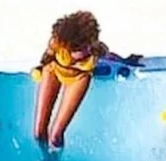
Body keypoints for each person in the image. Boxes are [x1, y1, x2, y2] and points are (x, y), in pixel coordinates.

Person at [32, 10, 124, 149]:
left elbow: (111, 56)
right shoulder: (57, 42)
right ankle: (45, 157)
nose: (84, 50)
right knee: (39, 132)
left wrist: (126, 60)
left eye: (86, 47)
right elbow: (47, 58)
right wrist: (39, 69)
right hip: (54, 70)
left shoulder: (95, 49)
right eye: (78, 48)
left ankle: (55, 158)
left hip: (78, 78)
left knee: (56, 136)